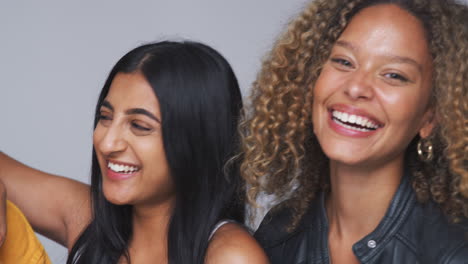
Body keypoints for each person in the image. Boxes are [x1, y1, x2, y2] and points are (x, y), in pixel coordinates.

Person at [240, 0, 468, 263]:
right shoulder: (279, 234)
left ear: (430, 117)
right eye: (343, 61)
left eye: (394, 75)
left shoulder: (454, 253)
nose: (356, 87)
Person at [0, 41, 268, 263]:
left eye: (139, 125)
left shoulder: (231, 256)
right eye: (105, 117)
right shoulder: (88, 221)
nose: (107, 143)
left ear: (197, 141)